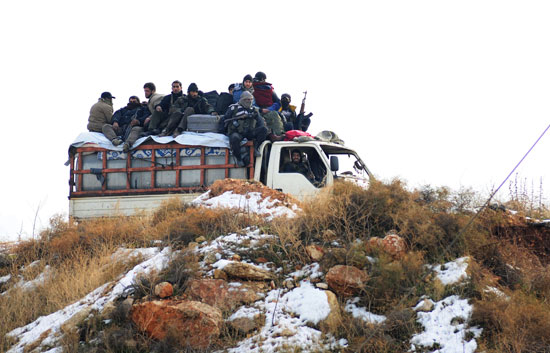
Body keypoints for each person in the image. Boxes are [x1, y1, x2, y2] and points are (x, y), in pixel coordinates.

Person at [220, 91, 267, 167]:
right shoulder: (233, 108)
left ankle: (256, 148)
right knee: (234, 138)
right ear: (242, 99)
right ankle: (238, 158)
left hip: (249, 132)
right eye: (246, 100)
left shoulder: (254, 110)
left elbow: (260, 122)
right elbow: (224, 119)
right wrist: (223, 132)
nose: (249, 101)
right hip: (237, 132)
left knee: (264, 130)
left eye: (250, 100)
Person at [252, 71, 284, 139]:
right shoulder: (253, 90)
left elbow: (278, 103)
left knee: (276, 116)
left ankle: (278, 134)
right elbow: (252, 103)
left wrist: (269, 109)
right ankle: (272, 135)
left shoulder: (269, 90)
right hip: (258, 111)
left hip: (269, 110)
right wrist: (261, 110)